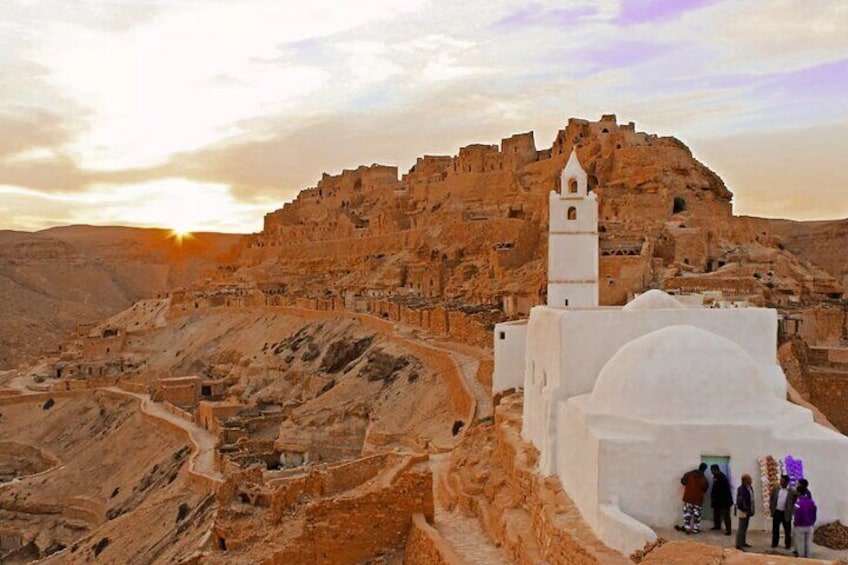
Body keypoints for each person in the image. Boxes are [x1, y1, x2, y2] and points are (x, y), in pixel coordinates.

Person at [675, 463, 709, 534]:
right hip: (698, 500)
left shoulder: (689, 474)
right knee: (697, 515)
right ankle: (695, 529)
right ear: (705, 469)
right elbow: (705, 489)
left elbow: (683, 482)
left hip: (688, 498)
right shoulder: (704, 479)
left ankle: (687, 528)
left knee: (687, 514)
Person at [769, 474, 797, 549]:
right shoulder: (776, 488)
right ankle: (774, 543)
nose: (781, 482)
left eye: (782, 481)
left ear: (787, 482)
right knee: (775, 529)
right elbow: (772, 498)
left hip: (786, 513)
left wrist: (791, 511)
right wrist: (772, 508)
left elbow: (794, 501)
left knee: (787, 530)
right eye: (780, 480)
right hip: (777, 511)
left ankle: (787, 545)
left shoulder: (792, 491)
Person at [793, 480, 817, 558]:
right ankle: (808, 559)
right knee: (808, 544)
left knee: (800, 544)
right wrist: (812, 523)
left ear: (799, 493)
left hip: (800, 526)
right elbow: (814, 513)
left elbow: (797, 515)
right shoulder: (811, 502)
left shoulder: (798, 504)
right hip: (810, 526)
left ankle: (801, 559)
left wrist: (795, 523)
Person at [709, 464, 733, 535]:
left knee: (726, 516)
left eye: (712, 470)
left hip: (725, 500)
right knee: (716, 513)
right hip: (718, 500)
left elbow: (721, 490)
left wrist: (715, 496)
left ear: (716, 470)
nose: (711, 472)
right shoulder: (716, 477)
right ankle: (717, 526)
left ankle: (728, 530)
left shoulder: (722, 478)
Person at [735, 474, 755, 550]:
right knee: (741, 527)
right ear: (745, 480)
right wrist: (745, 508)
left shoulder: (750, 488)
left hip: (748, 510)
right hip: (743, 510)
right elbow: (740, 501)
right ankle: (738, 544)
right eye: (749, 479)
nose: (751, 480)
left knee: (745, 527)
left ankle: (743, 542)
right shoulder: (741, 489)